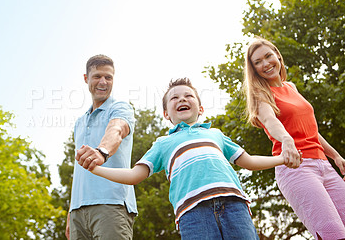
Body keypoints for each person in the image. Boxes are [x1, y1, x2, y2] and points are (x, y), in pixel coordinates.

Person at [88, 77, 290, 240]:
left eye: (188, 96)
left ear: (200, 109)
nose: (182, 99)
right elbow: (134, 175)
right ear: (167, 114)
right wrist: (95, 168)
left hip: (234, 206)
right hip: (193, 214)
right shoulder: (163, 143)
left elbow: (249, 161)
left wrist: (283, 158)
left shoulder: (216, 135)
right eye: (175, 98)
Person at [243, 37, 345, 239]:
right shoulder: (260, 94)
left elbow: (310, 129)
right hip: (296, 168)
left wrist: (335, 156)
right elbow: (271, 121)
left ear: (277, 56)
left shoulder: (291, 88)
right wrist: (286, 140)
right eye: (258, 62)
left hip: (324, 166)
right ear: (253, 69)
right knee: (333, 233)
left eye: (268, 56)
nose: (265, 64)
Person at [66, 54, 137, 240]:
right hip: (78, 213)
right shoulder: (80, 122)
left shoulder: (120, 108)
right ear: (86, 78)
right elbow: (79, 170)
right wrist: (70, 211)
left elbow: (117, 129)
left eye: (109, 77)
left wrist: (102, 151)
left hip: (111, 205)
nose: (103, 82)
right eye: (97, 76)